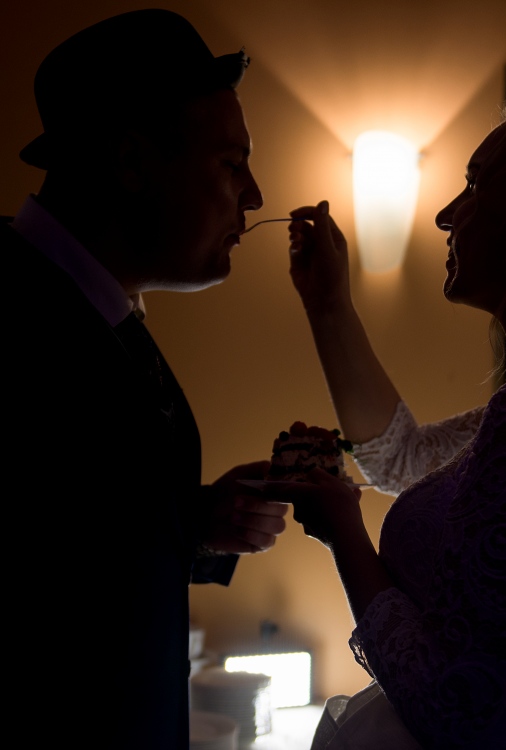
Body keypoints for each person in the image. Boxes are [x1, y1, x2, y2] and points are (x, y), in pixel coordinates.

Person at [266, 92, 506, 748]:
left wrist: (343, 529)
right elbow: (402, 460)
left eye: (474, 185)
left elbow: (452, 704)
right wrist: (328, 303)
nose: (443, 214)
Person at [4, 9, 288, 750]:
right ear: (132, 163)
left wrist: (193, 522)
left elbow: (66, 530)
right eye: (230, 164)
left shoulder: (98, 310)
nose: (255, 196)